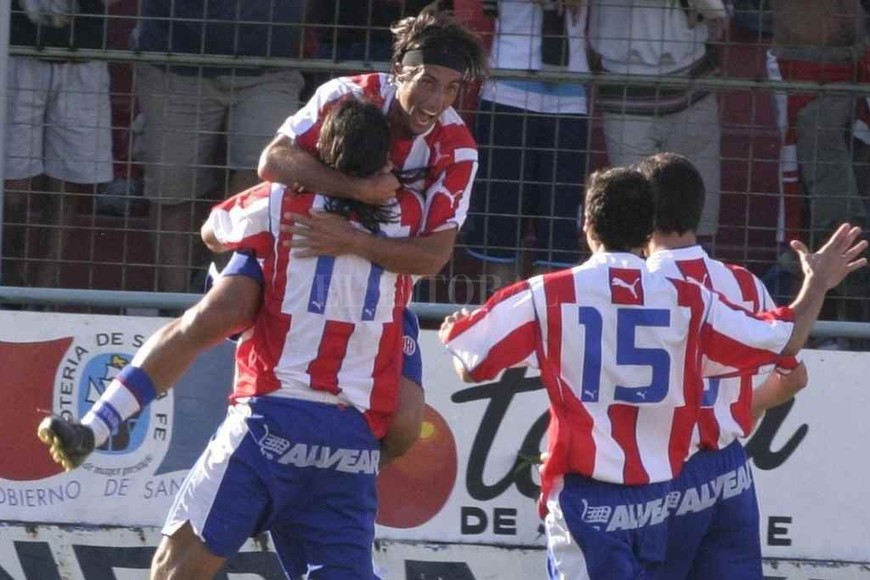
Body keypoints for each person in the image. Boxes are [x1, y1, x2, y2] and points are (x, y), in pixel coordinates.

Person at [439, 166, 866, 578]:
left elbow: (471, 363)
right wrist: (816, 285)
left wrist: (453, 331)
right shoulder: (692, 299)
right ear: (647, 232)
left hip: (590, 497)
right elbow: (786, 344)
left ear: (586, 222)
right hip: (660, 499)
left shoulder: (548, 293)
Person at [41, 98, 406, 578]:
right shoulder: (406, 224)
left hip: (274, 417)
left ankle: (100, 422)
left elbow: (213, 230)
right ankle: (93, 428)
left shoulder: (281, 203)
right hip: (351, 439)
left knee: (176, 570)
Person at [639, 153, 808, 580]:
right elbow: (793, 376)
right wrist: (737, 411)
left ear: (639, 215)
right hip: (729, 473)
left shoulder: (635, 290)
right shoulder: (746, 283)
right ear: (700, 210)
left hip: (658, 471)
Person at [134, 0, 308, 293]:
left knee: (262, 182)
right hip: (174, 60)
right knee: (171, 191)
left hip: (271, 64)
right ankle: (173, 307)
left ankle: (222, 298)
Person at [464, 0, 590, 286]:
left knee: (559, 236)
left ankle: (543, 323)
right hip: (507, 92)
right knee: (498, 231)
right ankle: (499, 322)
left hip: (568, 100)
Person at [766, 0, 870, 328]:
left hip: (852, 68)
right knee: (834, 211)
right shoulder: (815, 116)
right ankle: (842, 321)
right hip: (815, 74)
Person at [587, 0, 727, 243]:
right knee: (631, 209)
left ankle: (695, 277)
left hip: (690, 74)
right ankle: (637, 277)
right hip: (624, 81)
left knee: (695, 206)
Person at [5, 0, 117, 288]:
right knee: (12, 187)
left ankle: (44, 293)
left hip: (83, 54)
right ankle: (10, 288)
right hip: (14, 53)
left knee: (67, 181)